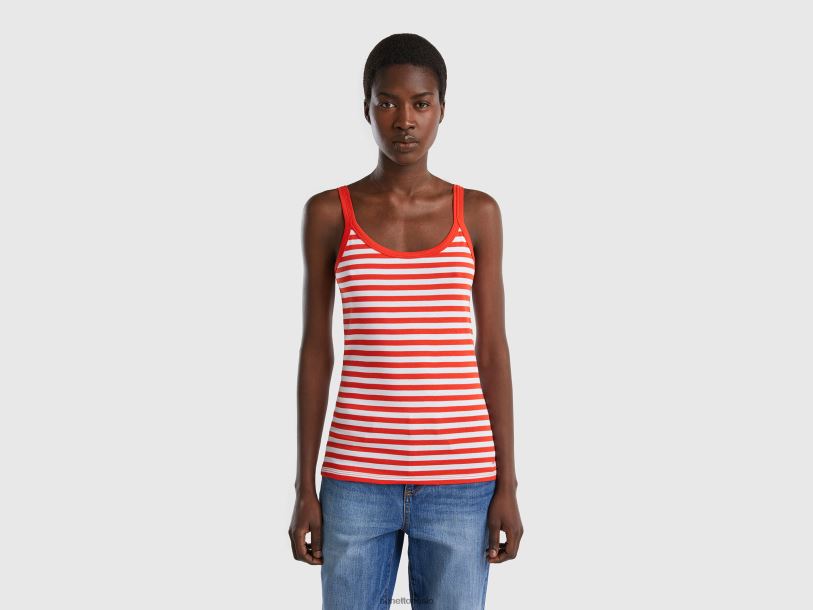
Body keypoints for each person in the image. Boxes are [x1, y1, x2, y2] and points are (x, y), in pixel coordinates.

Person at [289, 33, 523, 609]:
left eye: (421, 103)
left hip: (462, 479)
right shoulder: (330, 213)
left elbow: (492, 351)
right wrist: (304, 486)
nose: (404, 120)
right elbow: (316, 350)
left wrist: (508, 484)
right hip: (355, 478)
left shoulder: (477, 213)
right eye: (387, 102)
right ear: (365, 108)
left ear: (442, 109)